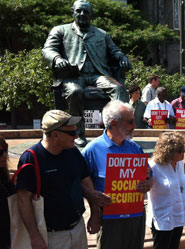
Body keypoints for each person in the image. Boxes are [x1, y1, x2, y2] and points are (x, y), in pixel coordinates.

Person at [16, 110, 111, 249]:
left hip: (76, 229)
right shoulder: (31, 158)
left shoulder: (72, 152)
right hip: (51, 236)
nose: (77, 136)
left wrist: (95, 213)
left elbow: (85, 181)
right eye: (71, 133)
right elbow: (23, 200)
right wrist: (34, 236)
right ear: (55, 134)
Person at [82, 100, 153, 249]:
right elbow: (83, 184)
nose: (134, 125)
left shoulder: (135, 148)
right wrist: (94, 203)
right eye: (130, 121)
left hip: (135, 216)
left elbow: (149, 175)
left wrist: (148, 183)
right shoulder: (92, 150)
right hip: (109, 220)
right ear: (113, 123)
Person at [42, 0, 131, 147]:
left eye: (86, 11)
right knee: (75, 91)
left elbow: (115, 51)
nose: (82, 14)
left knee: (119, 88)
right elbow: (47, 50)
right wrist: (57, 59)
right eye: (79, 11)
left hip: (99, 75)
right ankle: (78, 132)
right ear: (73, 12)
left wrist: (122, 57)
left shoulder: (102, 34)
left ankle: (118, 132)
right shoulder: (60, 30)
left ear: (91, 14)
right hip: (74, 75)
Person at [0, 136, 15, 249]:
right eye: (0, 152)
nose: (4, 155)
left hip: (5, 241)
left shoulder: (4, 177)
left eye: (6, 149)